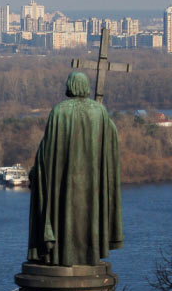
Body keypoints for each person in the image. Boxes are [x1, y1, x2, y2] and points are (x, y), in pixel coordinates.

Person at [27, 71, 123, 267]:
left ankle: (60, 255)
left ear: (70, 86)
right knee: (90, 214)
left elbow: (47, 150)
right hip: (93, 182)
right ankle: (90, 254)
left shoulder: (59, 111)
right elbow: (110, 141)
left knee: (62, 214)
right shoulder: (100, 112)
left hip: (63, 181)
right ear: (86, 87)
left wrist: (36, 172)